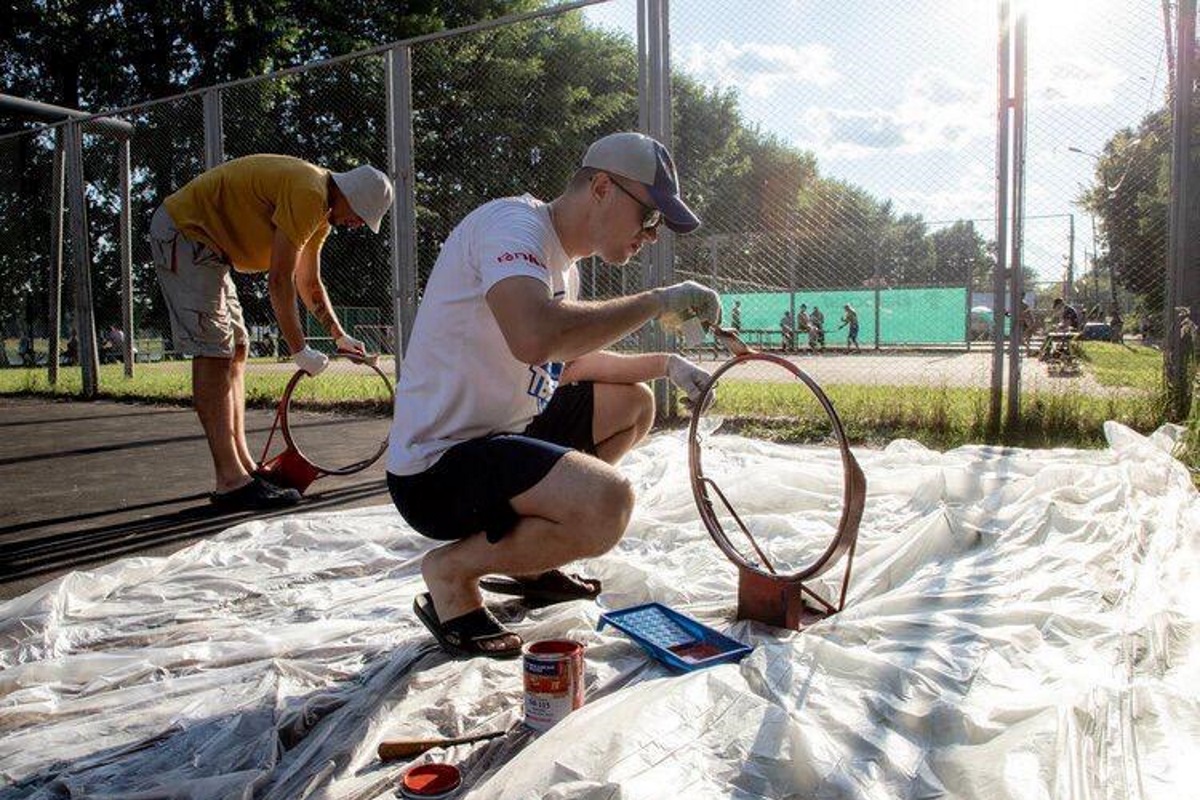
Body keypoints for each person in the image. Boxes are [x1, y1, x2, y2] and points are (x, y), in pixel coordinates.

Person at [387, 132, 720, 658]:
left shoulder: (565, 264)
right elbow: (536, 336)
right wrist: (657, 301)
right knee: (607, 504)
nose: (651, 236)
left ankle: (534, 556)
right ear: (604, 188)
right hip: (438, 470)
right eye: (649, 217)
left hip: (498, 440)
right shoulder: (512, 225)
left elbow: (565, 365)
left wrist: (667, 365)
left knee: (633, 404)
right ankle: (451, 575)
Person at [150, 154, 394, 511]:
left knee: (237, 347)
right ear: (350, 197)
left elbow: (308, 281)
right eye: (360, 216)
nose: (357, 224)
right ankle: (230, 481)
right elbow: (279, 281)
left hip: (210, 248)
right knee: (214, 350)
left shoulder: (320, 213)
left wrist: (339, 335)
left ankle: (245, 467)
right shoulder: (309, 193)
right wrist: (299, 349)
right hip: (186, 233)